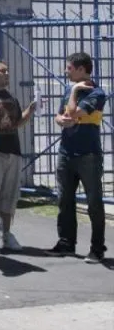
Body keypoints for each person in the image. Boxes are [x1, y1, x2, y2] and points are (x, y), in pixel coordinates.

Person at [48, 52, 107, 263]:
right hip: (66, 153)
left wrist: (74, 91)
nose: (66, 71)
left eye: (69, 68)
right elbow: (61, 115)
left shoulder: (96, 93)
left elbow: (73, 112)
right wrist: (60, 120)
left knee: (94, 202)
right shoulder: (68, 89)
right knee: (64, 199)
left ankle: (97, 248)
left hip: (88, 155)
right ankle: (66, 243)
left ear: (82, 69)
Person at [0, 60, 34, 253]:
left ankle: (6, 234)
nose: (7, 74)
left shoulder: (11, 97)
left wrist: (30, 111)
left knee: (9, 196)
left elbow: (16, 123)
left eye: (7, 71)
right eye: (2, 71)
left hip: (13, 151)